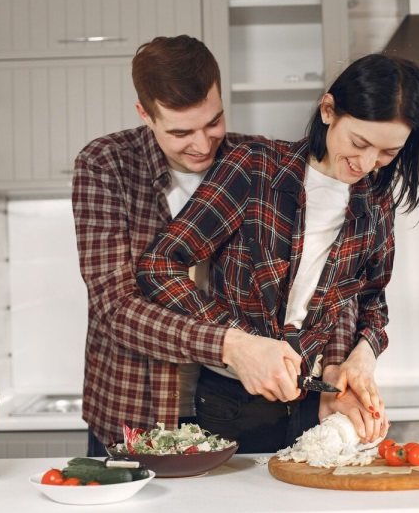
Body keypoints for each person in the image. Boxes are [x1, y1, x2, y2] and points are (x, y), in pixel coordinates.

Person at [72, 35, 371, 457]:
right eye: (180, 131)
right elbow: (114, 306)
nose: (201, 143)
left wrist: (337, 363)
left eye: (213, 122)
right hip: (136, 406)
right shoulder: (106, 165)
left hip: (246, 410)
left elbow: (325, 278)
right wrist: (234, 345)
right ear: (145, 114)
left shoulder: (260, 161)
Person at [136, 52, 419, 453]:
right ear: (328, 110)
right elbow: (159, 265)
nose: (367, 163)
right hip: (234, 401)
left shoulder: (377, 197)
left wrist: (360, 357)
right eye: (359, 143)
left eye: (388, 153)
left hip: (322, 400)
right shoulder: (254, 167)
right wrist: (239, 341)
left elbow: (367, 296)